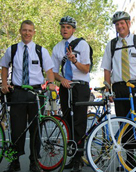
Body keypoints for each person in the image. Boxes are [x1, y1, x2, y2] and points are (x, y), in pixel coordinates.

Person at [101, 11, 136, 172]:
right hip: (119, 88)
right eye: (117, 24)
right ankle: (130, 163)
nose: (119, 26)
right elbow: (107, 70)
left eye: (122, 23)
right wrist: (108, 89)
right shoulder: (111, 45)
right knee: (125, 126)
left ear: (129, 23)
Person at [0, 20, 55, 172]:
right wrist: (4, 84)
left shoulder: (40, 50)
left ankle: (34, 162)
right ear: (20, 31)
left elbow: (49, 70)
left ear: (34, 32)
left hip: (36, 94)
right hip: (17, 93)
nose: (27, 33)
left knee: (36, 129)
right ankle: (15, 162)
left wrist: (50, 83)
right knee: (17, 130)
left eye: (30, 30)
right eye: (24, 30)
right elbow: (4, 67)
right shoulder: (12, 49)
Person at [52, 16, 91, 172]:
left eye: (68, 27)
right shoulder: (57, 48)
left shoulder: (82, 44)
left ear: (73, 29)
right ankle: (72, 155)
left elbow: (86, 69)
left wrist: (74, 61)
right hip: (65, 86)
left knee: (79, 122)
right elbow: (54, 72)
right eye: (63, 27)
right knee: (67, 121)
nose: (65, 29)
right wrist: (62, 80)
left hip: (80, 87)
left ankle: (78, 159)